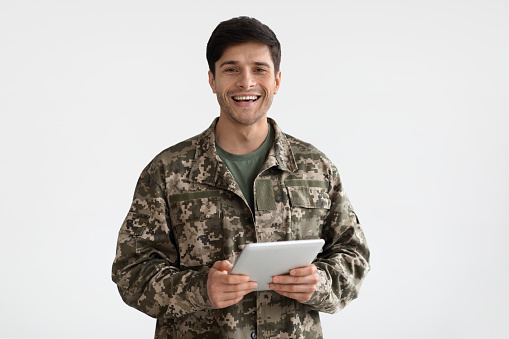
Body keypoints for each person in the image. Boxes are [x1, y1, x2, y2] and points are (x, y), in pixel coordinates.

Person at [112, 16, 370, 339]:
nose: (246, 83)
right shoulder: (167, 173)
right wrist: (199, 289)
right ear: (212, 80)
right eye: (231, 69)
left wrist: (319, 282)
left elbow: (354, 256)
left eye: (259, 69)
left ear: (277, 80)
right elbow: (131, 272)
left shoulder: (316, 170)